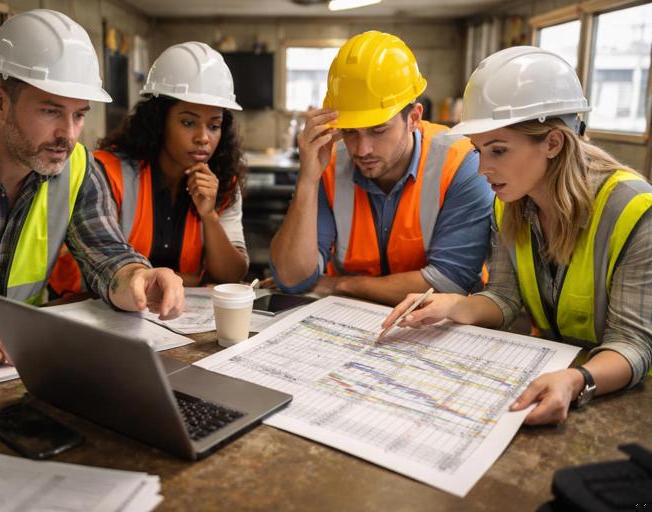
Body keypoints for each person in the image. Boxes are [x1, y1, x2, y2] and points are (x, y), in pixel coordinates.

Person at [0, 9, 184, 371]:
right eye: (50, 111)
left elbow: (107, 258)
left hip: (16, 363)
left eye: (78, 115)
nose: (69, 135)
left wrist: (139, 277)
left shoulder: (77, 166)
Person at [383, 46, 652, 425]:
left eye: (498, 150)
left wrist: (578, 379)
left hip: (622, 401)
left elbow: (635, 344)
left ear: (553, 143)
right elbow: (505, 297)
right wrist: (452, 306)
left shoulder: (633, 210)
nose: (483, 170)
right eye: (479, 151)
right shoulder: (510, 204)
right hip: (556, 378)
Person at [269, 31, 493, 306]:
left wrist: (341, 284)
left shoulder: (461, 163)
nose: (362, 150)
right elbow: (293, 279)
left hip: (440, 329)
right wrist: (307, 179)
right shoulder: (328, 163)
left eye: (378, 130)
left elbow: (450, 281)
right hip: (347, 321)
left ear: (413, 118)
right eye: (350, 132)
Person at [49, 42, 248, 295]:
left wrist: (209, 215)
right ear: (159, 121)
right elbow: (94, 271)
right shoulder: (108, 173)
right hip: (95, 314)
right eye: (188, 122)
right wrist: (193, 280)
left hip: (178, 319)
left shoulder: (223, 183)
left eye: (214, 126)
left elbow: (231, 275)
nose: (203, 137)